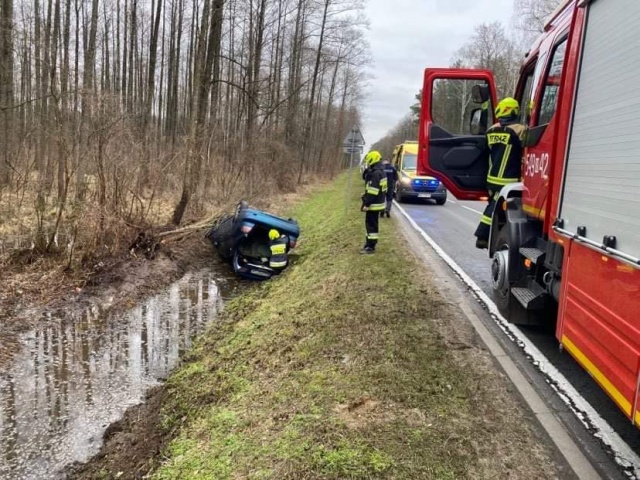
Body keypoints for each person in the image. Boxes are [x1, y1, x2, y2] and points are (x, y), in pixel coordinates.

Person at [475, 97, 527, 249]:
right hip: (510, 180)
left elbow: (483, 152)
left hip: (492, 179)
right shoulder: (520, 130)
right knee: (494, 209)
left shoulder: (491, 131)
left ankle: (489, 236)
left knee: (494, 205)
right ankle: (482, 235)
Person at [360, 150, 387, 254]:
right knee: (371, 224)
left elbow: (373, 191)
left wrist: (366, 203)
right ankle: (368, 244)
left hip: (373, 204)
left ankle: (370, 247)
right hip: (378, 202)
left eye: (369, 161)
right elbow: (378, 188)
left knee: (371, 225)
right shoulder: (381, 171)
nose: (368, 164)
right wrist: (365, 193)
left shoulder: (375, 173)